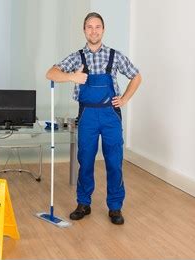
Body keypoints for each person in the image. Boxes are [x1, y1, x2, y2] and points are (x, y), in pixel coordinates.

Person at [46, 12, 141, 225]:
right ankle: (83, 203)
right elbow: (50, 73)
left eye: (98, 27)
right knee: (85, 160)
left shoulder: (115, 56)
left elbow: (136, 76)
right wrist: (72, 76)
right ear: (84, 30)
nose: (94, 31)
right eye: (89, 27)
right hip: (87, 115)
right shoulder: (77, 57)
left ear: (103, 30)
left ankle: (115, 207)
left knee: (114, 162)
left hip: (110, 116)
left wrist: (124, 99)